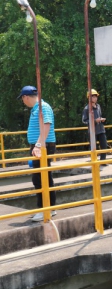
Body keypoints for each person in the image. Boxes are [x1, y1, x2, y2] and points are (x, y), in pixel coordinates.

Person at [18, 86, 57, 222]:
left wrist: (39, 145)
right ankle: (50, 207)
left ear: (26, 97)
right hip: (39, 146)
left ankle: (44, 209)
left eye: (22, 99)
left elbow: (47, 125)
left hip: (42, 147)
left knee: (39, 178)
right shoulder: (37, 108)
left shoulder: (42, 107)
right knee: (45, 177)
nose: (23, 102)